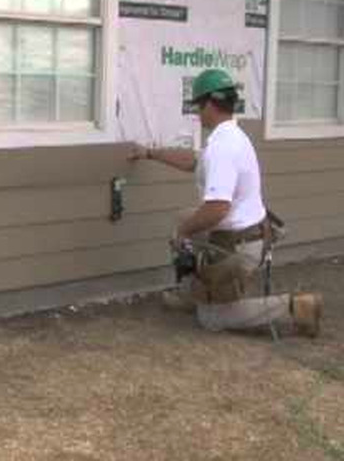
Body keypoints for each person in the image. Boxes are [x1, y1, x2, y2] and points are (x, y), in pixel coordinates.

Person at [129, 68, 322, 337]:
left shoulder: (224, 147)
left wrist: (183, 233)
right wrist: (150, 153)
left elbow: (217, 209)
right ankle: (192, 294)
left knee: (212, 319)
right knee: (182, 218)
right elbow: (193, 162)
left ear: (209, 104)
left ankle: (294, 306)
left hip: (239, 245)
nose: (196, 113)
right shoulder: (228, 136)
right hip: (245, 233)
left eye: (197, 105)